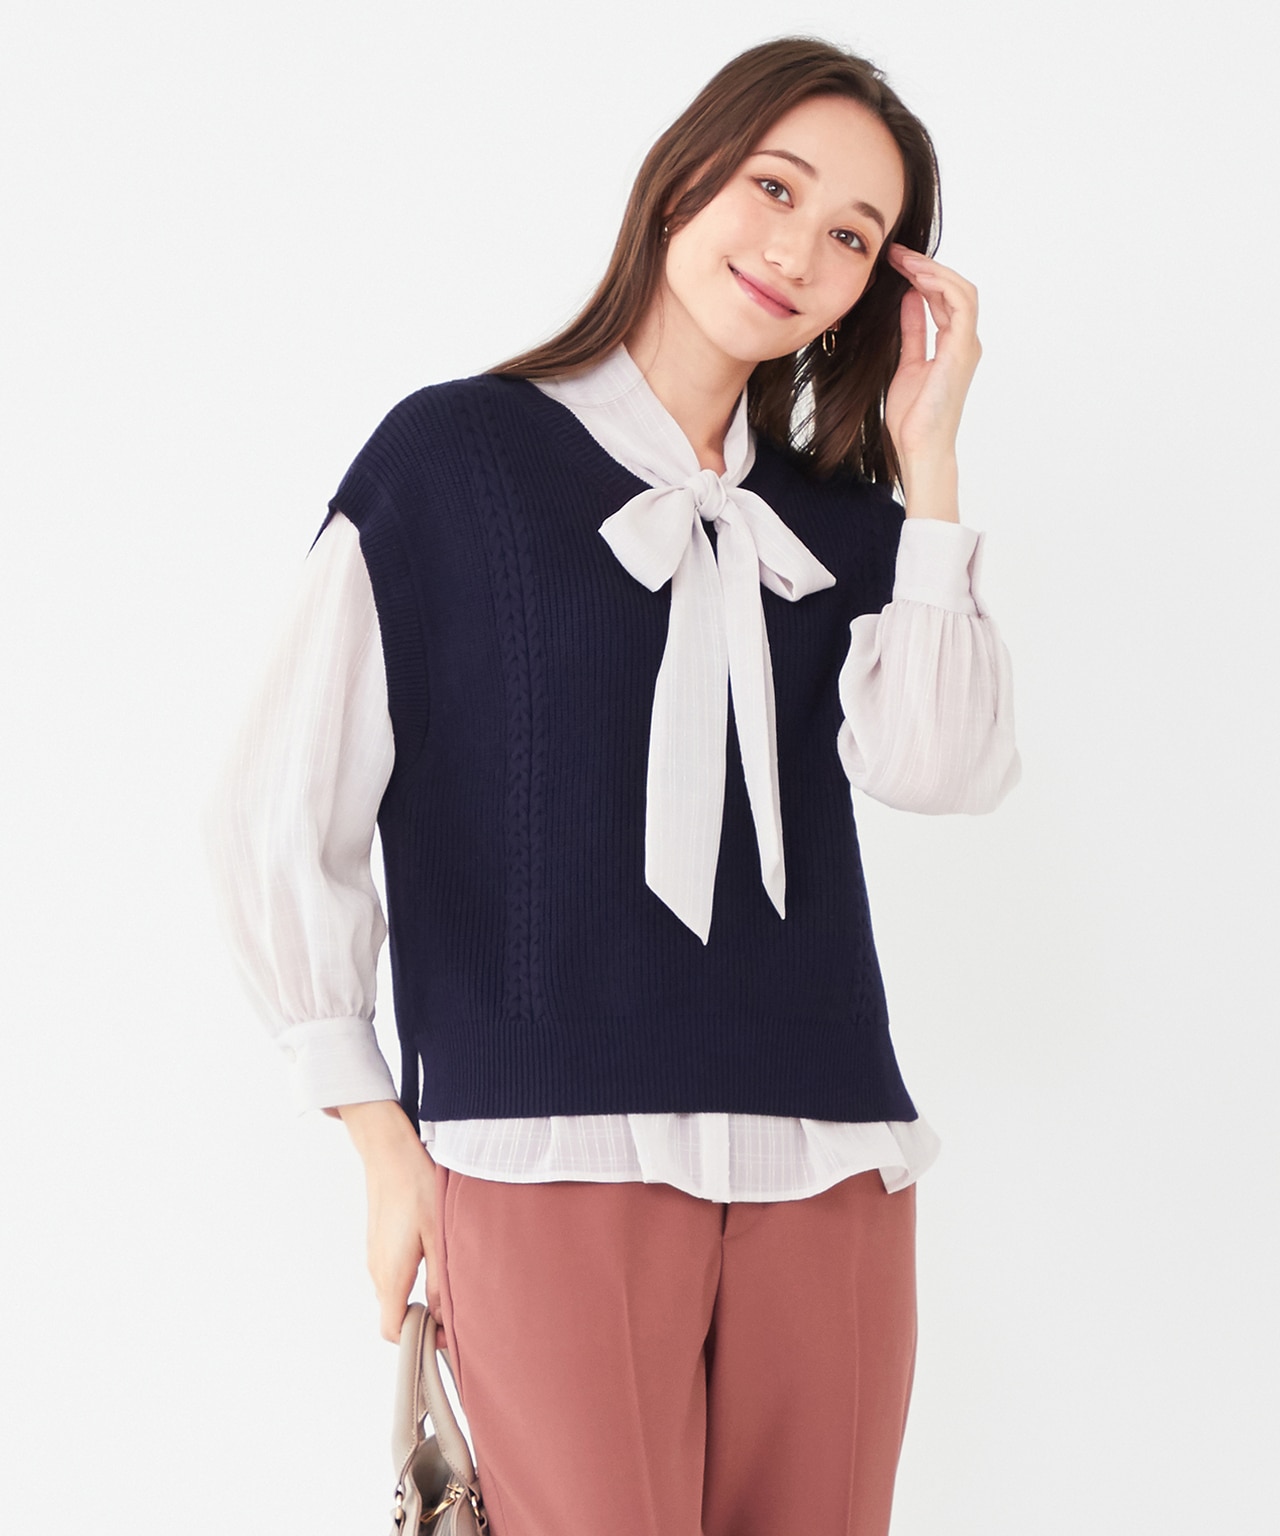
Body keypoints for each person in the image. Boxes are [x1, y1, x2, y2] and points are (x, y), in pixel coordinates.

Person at [205, 34, 1020, 1536]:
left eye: (854, 236)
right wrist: (380, 1142)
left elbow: (944, 769)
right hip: (543, 1156)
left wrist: (932, 469)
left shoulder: (843, 521)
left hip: (831, 1159)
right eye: (776, 188)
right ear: (684, 176)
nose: (800, 251)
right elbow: (279, 807)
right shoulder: (451, 459)